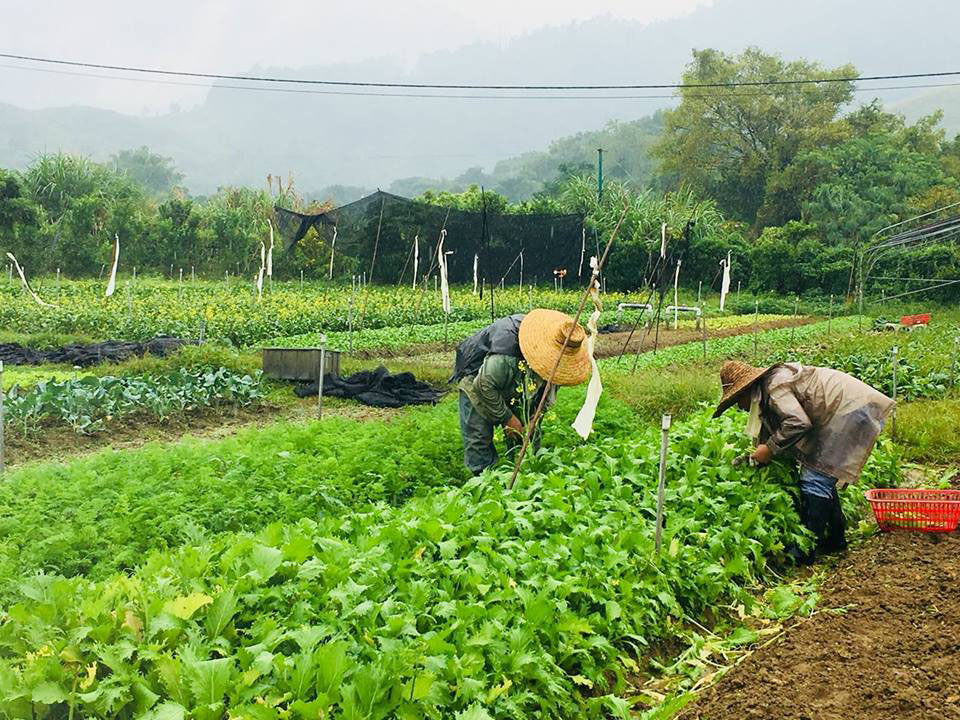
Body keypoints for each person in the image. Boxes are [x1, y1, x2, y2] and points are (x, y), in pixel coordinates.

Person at [714, 360, 894, 563]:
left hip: (850, 410)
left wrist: (770, 448)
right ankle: (835, 540)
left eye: (737, 401)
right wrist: (758, 452)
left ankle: (805, 550)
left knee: (815, 477)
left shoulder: (775, 388)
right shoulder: (767, 389)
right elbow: (774, 426)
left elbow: (797, 422)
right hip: (844, 409)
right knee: (822, 472)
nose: (740, 407)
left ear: (746, 391)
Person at [450, 309, 592, 475]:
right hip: (476, 377)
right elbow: (483, 385)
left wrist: (535, 416)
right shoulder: (505, 353)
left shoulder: (557, 362)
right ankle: (484, 482)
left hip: (516, 379)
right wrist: (507, 418)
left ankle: (526, 472)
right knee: (479, 437)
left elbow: (548, 392)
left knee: (528, 432)